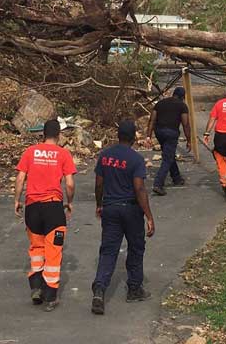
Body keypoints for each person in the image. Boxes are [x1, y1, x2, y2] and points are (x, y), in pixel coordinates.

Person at [91, 120, 156, 316]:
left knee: (109, 250)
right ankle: (134, 289)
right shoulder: (135, 160)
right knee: (136, 247)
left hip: (110, 208)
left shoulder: (105, 156)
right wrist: (149, 215)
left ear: (118, 135)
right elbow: (139, 188)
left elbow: (99, 184)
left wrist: (99, 204)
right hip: (130, 209)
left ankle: (100, 290)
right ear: (134, 137)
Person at [14, 119, 77, 312]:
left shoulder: (30, 151)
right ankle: (50, 296)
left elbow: (20, 177)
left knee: (37, 247)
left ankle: (35, 286)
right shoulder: (63, 154)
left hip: (32, 208)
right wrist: (69, 201)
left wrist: (17, 200)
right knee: (54, 251)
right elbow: (70, 184)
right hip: (53, 209)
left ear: (43, 134)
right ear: (59, 135)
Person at [145, 86, 191, 196]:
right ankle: (158, 184)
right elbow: (185, 124)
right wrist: (189, 140)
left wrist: (148, 136)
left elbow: (152, 120)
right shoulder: (182, 106)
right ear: (182, 97)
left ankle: (176, 178)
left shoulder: (160, 103)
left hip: (159, 132)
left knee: (168, 154)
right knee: (167, 158)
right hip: (171, 133)